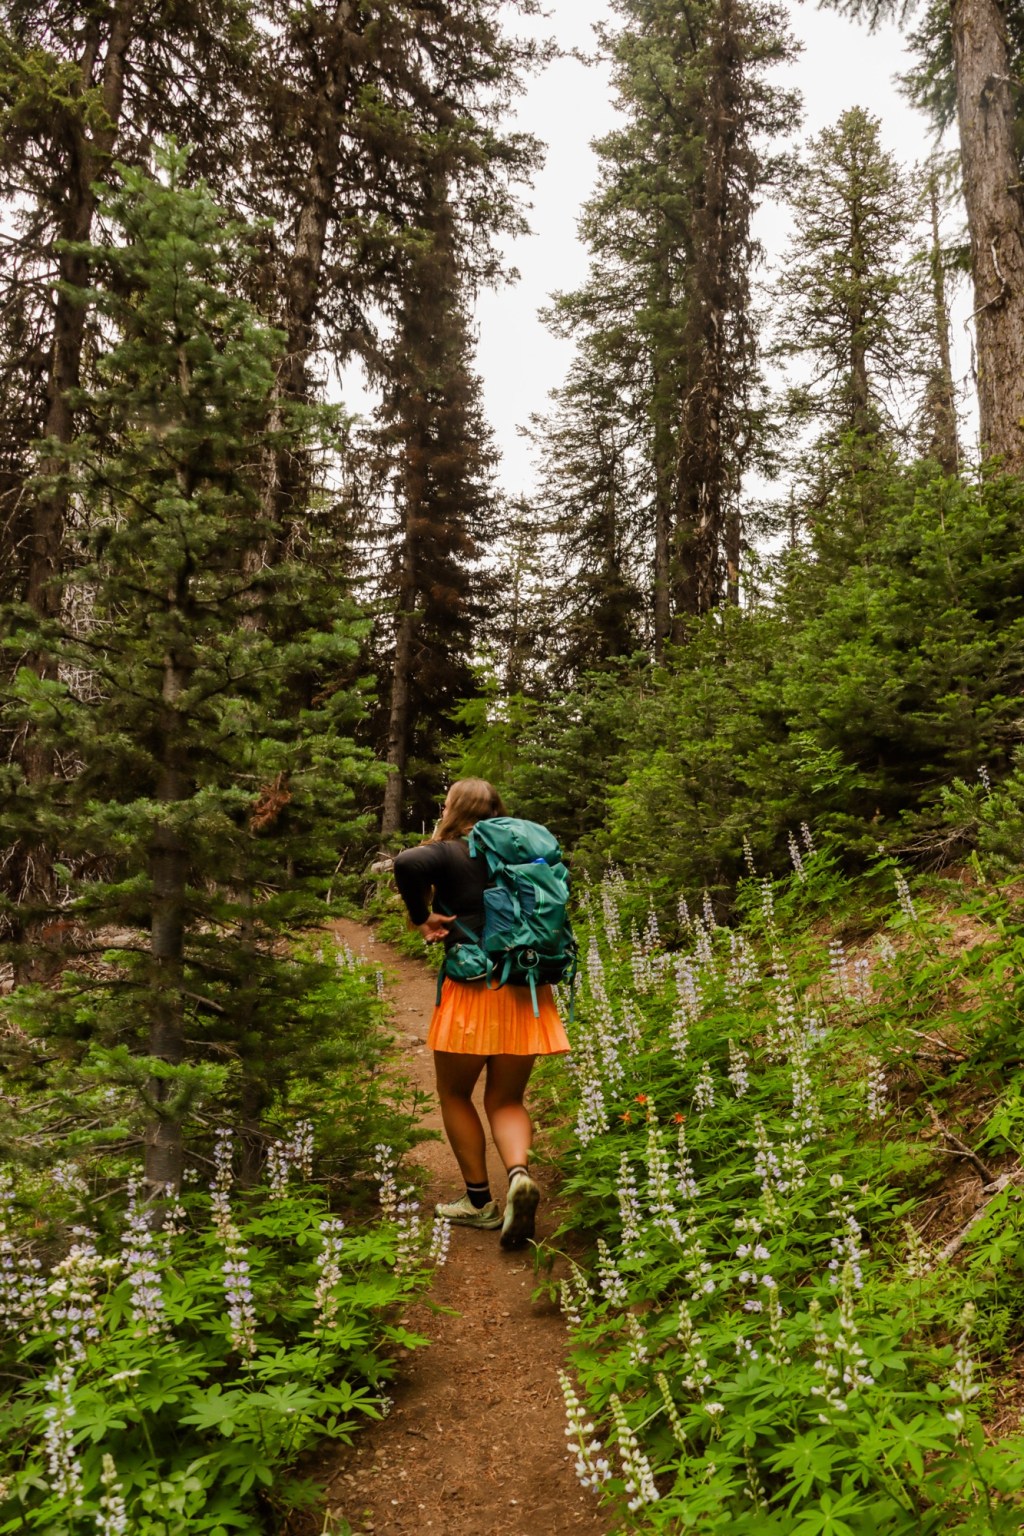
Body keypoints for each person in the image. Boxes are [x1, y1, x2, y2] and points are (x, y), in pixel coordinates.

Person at [393, 778, 570, 1249]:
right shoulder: (521, 851)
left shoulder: (450, 851)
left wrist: (421, 914)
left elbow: (407, 862)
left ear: (452, 807)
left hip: (472, 991)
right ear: (497, 809)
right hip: (526, 990)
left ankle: (479, 1202)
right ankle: (518, 1175)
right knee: (507, 1100)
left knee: (454, 1093)